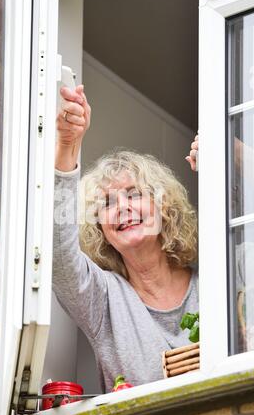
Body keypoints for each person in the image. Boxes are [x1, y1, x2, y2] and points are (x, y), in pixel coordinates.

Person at [53, 84, 199, 393]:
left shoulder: (217, 283)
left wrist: (231, 156)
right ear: (101, 229)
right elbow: (58, 256)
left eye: (134, 194)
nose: (122, 208)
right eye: (107, 203)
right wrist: (67, 145)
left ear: (165, 208)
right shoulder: (103, 299)